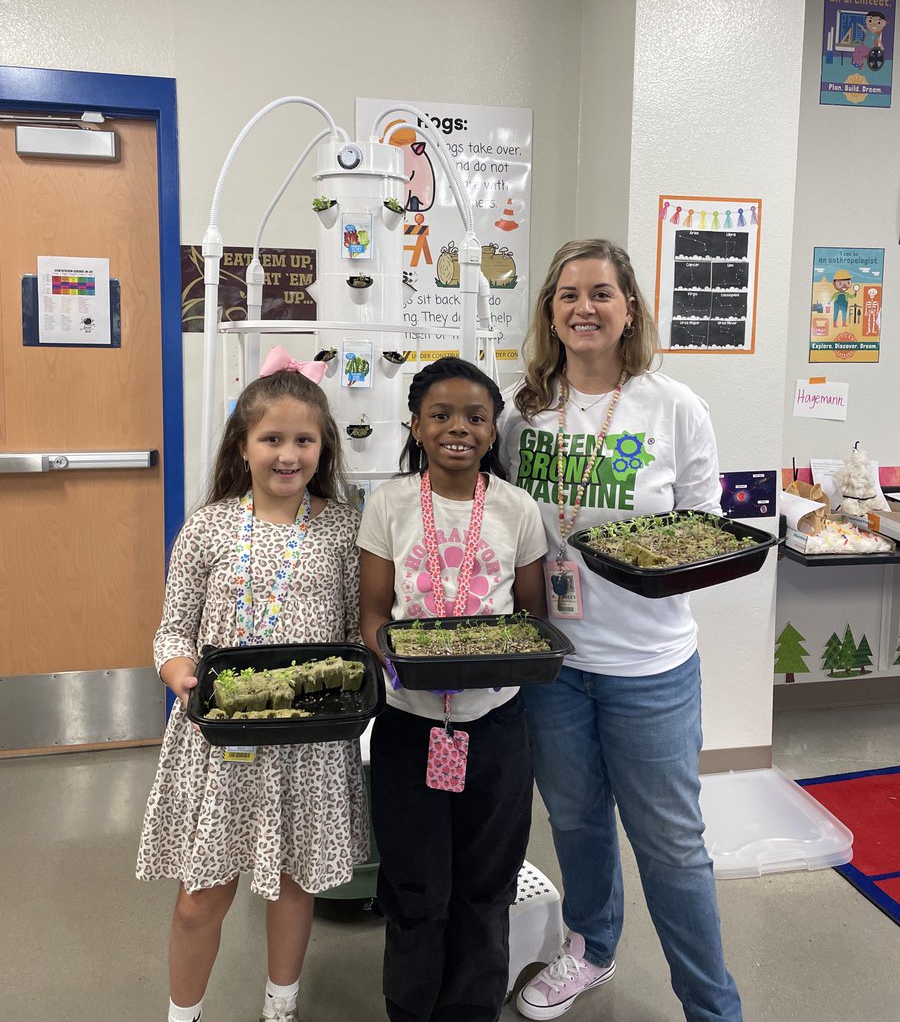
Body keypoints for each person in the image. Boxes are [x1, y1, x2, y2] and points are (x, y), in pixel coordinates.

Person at [498, 240, 743, 1021]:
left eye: (601, 293)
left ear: (629, 308)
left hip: (650, 666)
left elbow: (704, 528)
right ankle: (592, 948)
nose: (585, 308)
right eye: (568, 294)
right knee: (574, 820)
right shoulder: (519, 411)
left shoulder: (674, 407)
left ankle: (712, 1006)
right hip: (553, 664)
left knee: (671, 844)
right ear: (550, 311)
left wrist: (650, 564)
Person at [136, 349, 368, 1022]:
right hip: (220, 739)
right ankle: (184, 1013)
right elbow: (171, 632)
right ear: (243, 445)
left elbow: (354, 634)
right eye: (272, 439)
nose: (287, 455)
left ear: (323, 448)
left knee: (295, 884)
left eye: (303, 440)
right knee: (201, 895)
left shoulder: (341, 528)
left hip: (309, 744)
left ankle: (280, 1005)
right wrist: (182, 676)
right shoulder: (209, 525)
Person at [357, 357, 547, 1022]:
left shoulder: (518, 509)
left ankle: (471, 1007)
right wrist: (403, 661)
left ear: (494, 431)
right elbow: (373, 614)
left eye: (475, 417)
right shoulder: (389, 503)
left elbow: (531, 616)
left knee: (486, 880)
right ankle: (411, 1007)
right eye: (440, 415)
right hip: (409, 722)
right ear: (416, 425)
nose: (457, 428)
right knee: (414, 881)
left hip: (496, 724)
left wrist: (498, 661)